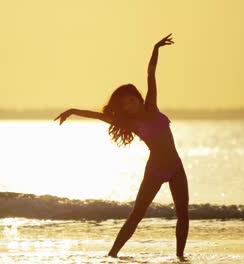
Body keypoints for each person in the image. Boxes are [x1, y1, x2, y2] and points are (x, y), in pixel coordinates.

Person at [54, 33, 189, 258]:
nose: (130, 104)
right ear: (122, 108)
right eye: (125, 103)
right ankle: (112, 254)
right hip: (155, 171)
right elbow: (97, 116)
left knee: (183, 213)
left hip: (176, 167)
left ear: (138, 98)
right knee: (137, 214)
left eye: (132, 99)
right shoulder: (129, 123)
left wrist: (156, 48)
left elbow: (151, 73)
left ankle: (180, 256)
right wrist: (72, 111)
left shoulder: (152, 107)